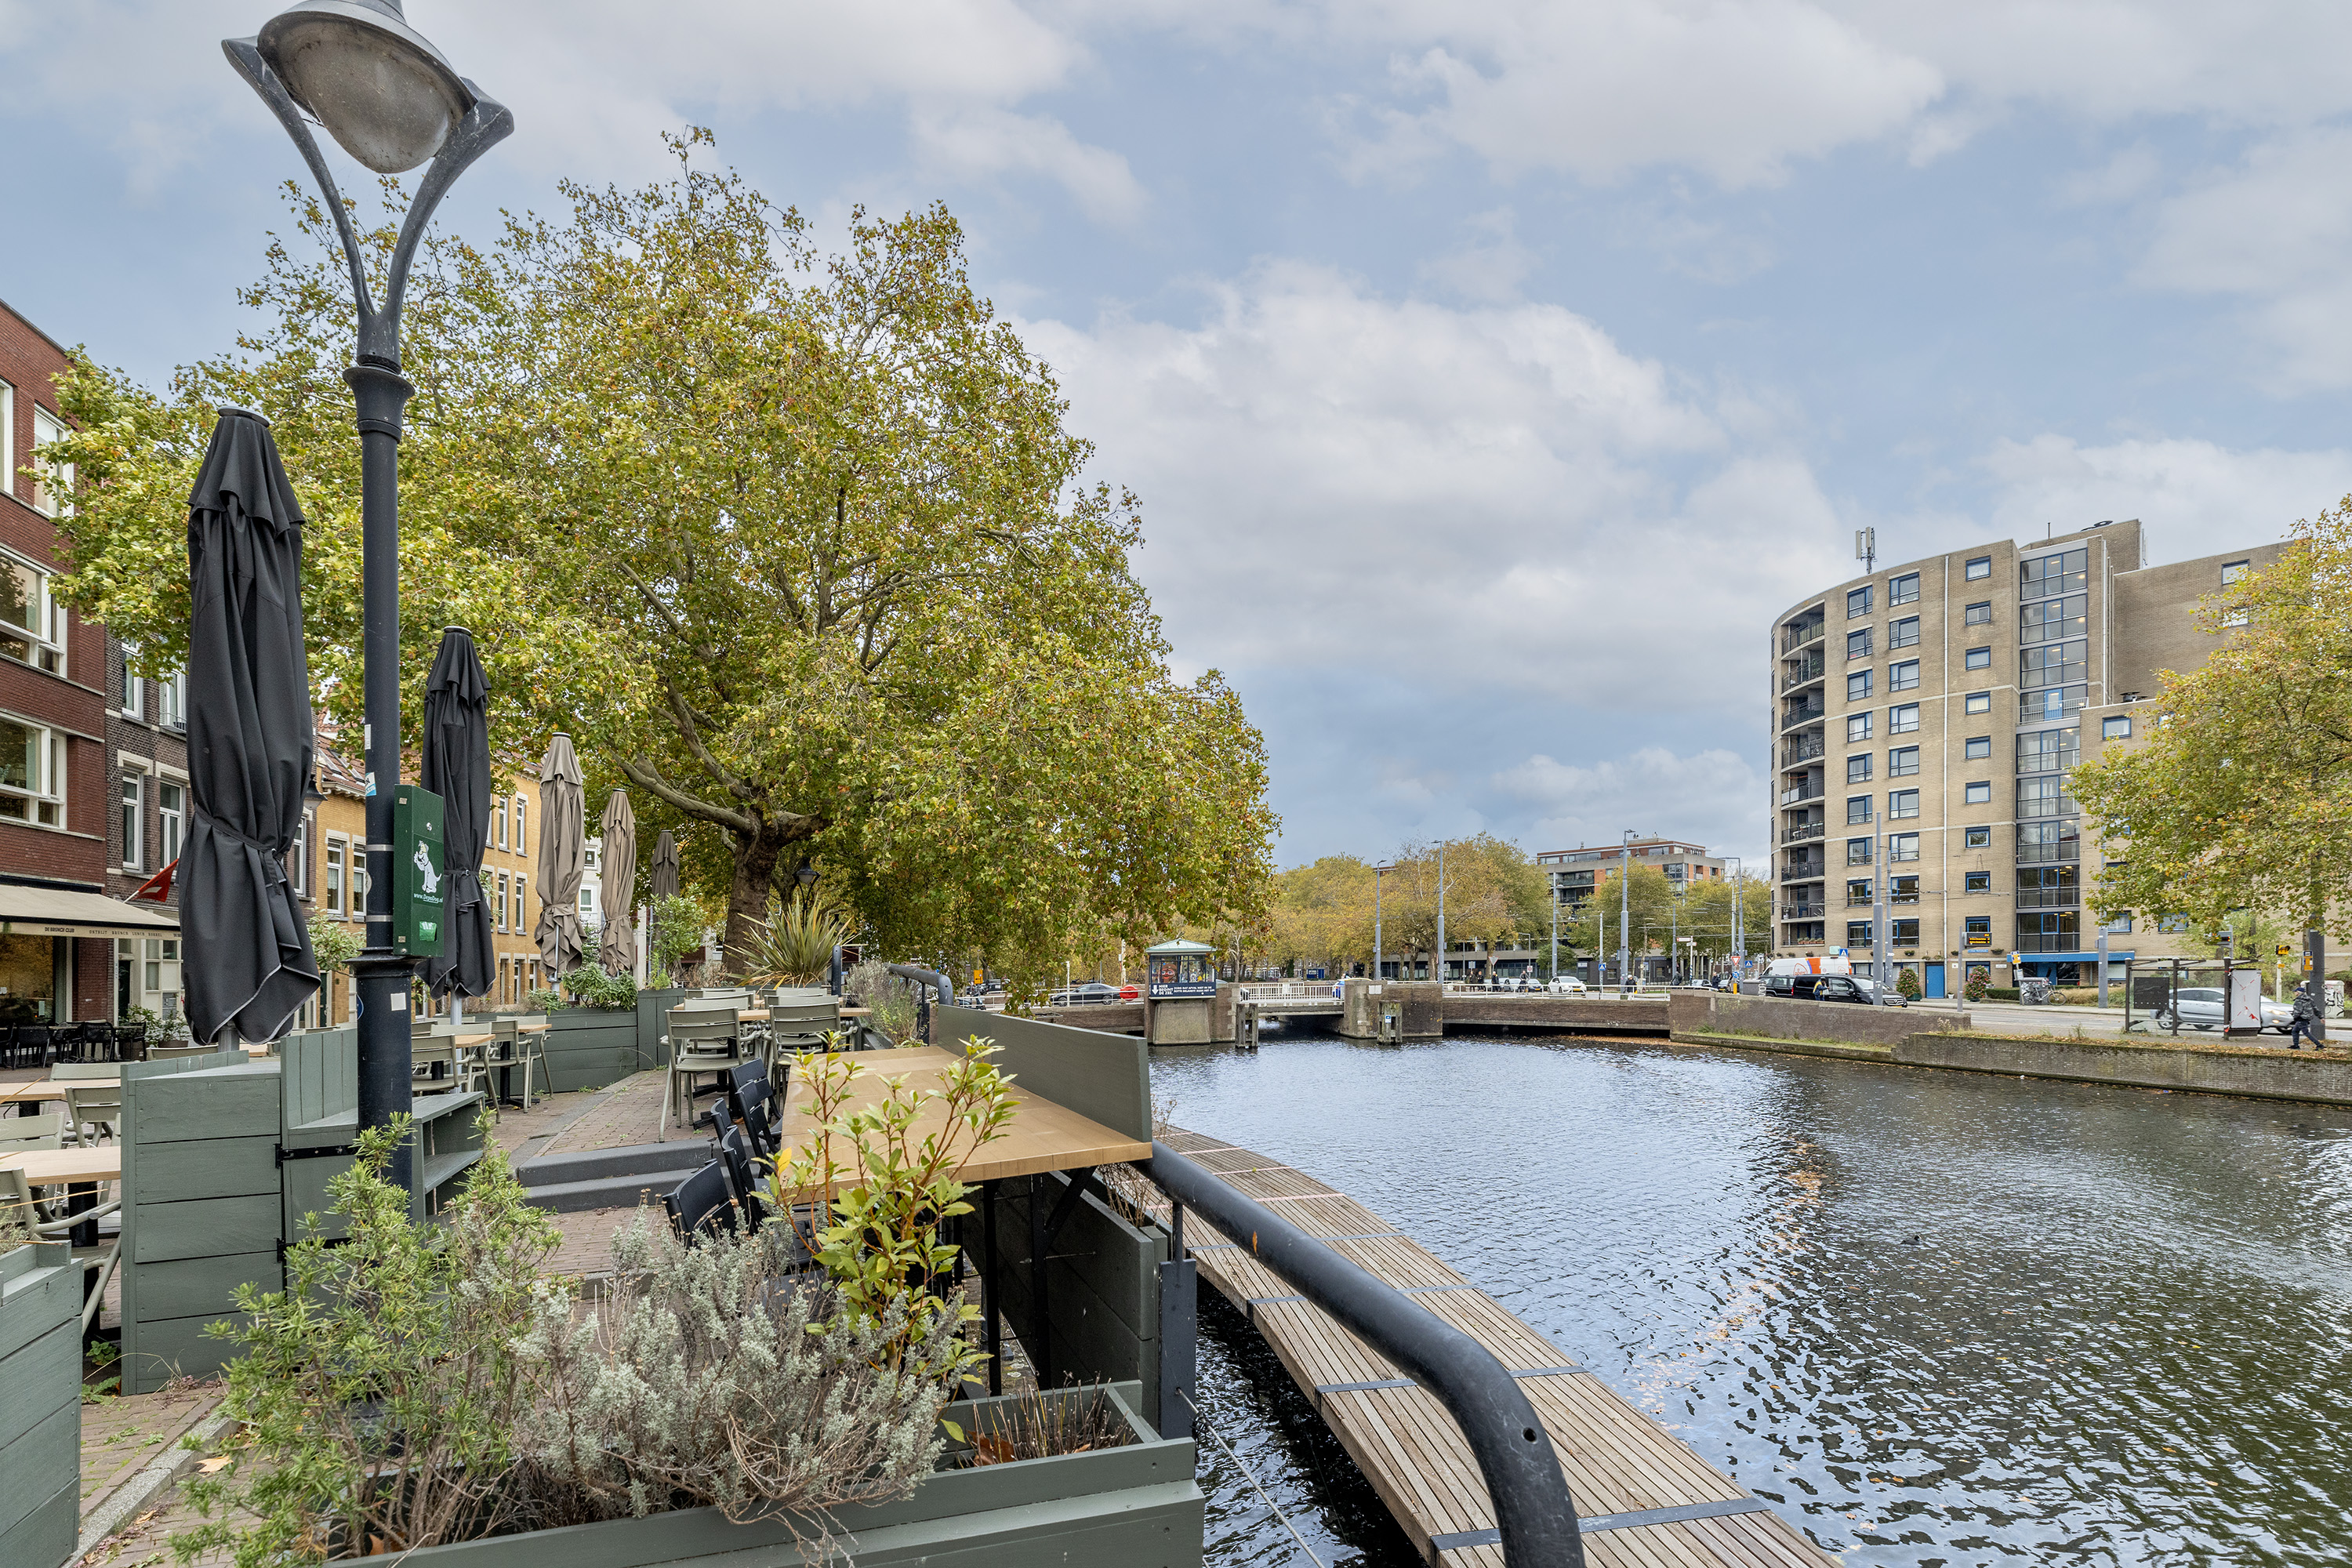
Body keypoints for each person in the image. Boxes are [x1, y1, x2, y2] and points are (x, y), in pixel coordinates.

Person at [2288, 982, 2325, 1050]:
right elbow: (2315, 1009)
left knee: (2306, 1032)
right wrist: (2321, 1017)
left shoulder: (2299, 1000)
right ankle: (2296, 1045)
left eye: (2295, 992)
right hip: (2307, 1018)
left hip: (2301, 1018)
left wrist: (2294, 1018)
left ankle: (2319, 1045)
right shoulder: (2309, 999)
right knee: (2295, 1031)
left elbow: (2298, 1011)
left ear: (2298, 993)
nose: (2295, 993)